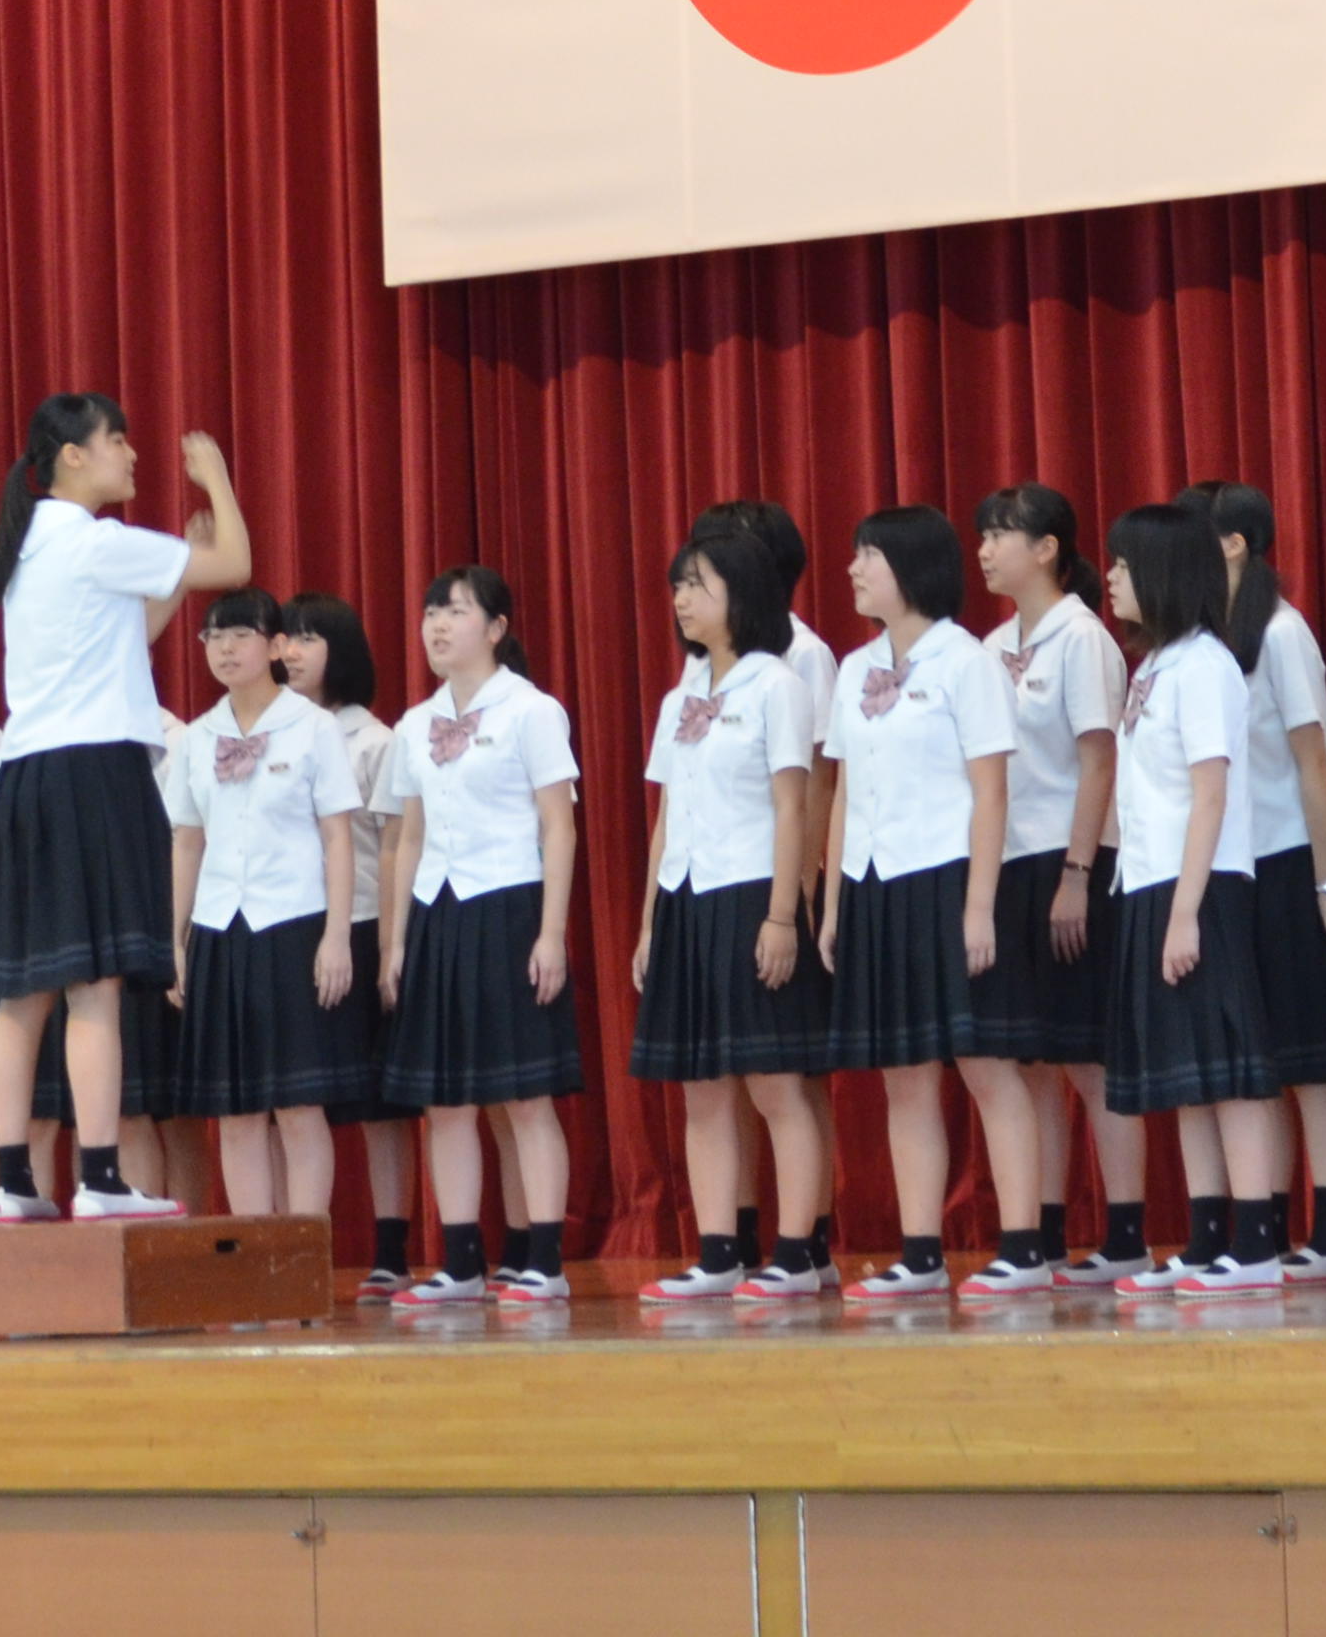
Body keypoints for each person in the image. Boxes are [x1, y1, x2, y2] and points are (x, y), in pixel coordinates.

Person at [0, 395, 251, 1223]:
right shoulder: (93, 540)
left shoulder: (32, 543)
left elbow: (128, 636)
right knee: (94, 986)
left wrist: (180, 564)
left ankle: (13, 1184)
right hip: (93, 772)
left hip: (27, 777)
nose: (132, 455)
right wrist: (217, 479)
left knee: (22, 994)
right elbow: (236, 564)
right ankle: (98, 1178)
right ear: (71, 455)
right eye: (117, 441)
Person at [813, 504, 1027, 1296]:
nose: (853, 569)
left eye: (868, 555)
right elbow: (843, 792)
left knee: (984, 1064)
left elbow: (990, 789)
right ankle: (921, 1254)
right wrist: (835, 905)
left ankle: (1023, 1247)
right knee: (903, 1075)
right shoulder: (853, 668)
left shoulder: (966, 662)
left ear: (912, 567)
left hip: (947, 876)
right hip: (873, 883)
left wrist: (979, 907)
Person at [1089, 502, 1288, 1293]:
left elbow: (1211, 794)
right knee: (1187, 1072)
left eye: (1124, 565)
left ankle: (1256, 1243)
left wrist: (1183, 913)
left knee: (1227, 1068)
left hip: (1200, 887)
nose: (1111, 578)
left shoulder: (1206, 664)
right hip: (1150, 883)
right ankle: (1208, 1241)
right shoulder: (1155, 664)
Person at [632, 528, 834, 1300]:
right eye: (679, 585)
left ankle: (798, 1252)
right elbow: (665, 816)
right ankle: (719, 1253)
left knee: (776, 1085)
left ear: (743, 595)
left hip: (752, 893)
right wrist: (650, 923)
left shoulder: (777, 685)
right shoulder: (680, 696)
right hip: (686, 898)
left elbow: (792, 806)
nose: (682, 599)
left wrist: (783, 917)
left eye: (699, 585)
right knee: (703, 1087)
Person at [377, 567, 586, 1303]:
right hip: (438, 911)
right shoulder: (414, 723)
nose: (437, 625)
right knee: (444, 1102)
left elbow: (558, 825)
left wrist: (551, 933)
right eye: (430, 612)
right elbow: (408, 837)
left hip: (510, 906)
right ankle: (461, 1263)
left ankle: (546, 1262)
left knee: (525, 1096)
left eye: (456, 612)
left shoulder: (533, 710)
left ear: (496, 629)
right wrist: (398, 942)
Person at [1186, 481, 1326, 1283]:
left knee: (1312, 1062)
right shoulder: (1204, 641)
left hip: (1292, 862)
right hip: (1233, 869)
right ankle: (1269, 1229)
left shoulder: (1283, 633)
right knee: (1258, 1061)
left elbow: (1313, 764)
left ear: (1233, 544)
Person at [162, 589, 372, 1221]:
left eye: (241, 635)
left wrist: (337, 936)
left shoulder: (314, 727)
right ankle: (255, 1256)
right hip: (219, 930)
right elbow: (187, 841)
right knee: (237, 1111)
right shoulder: (197, 736)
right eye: (213, 637)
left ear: (277, 646)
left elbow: (338, 838)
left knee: (299, 1107)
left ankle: (304, 1252)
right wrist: (174, 940)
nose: (225, 649)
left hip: (294, 927)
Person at [968, 486, 1131, 1283]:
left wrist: (1077, 873)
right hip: (1009, 862)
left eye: (1000, 535)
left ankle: (1127, 1233)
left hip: (1073, 859)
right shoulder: (991, 645)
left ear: (1047, 549)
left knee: (1091, 1057)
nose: (984, 550)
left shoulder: (1083, 638)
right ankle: (1043, 1232)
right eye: (982, 536)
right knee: (1030, 1058)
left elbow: (1099, 761)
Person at [279, 590, 418, 1293]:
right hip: (292, 927)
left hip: (362, 926)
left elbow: (395, 852)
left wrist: (391, 947)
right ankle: (287, 1247)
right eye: (286, 637)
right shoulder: (272, 734)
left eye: (308, 638)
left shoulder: (375, 741)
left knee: (377, 1102)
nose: (291, 651)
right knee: (291, 1099)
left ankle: (391, 1249)